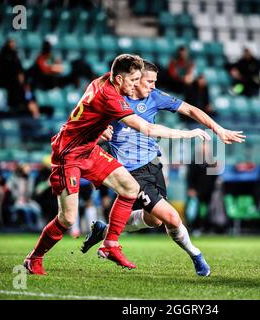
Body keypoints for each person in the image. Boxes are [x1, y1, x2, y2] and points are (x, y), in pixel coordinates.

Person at [23, 54, 210, 275]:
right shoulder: (111, 97)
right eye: (133, 81)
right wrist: (188, 134)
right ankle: (34, 258)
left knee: (130, 188)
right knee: (68, 218)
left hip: (89, 149)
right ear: (120, 80)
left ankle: (110, 244)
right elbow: (148, 129)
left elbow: (86, 115)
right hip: (69, 155)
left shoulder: (102, 80)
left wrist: (98, 130)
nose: (135, 85)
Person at [80, 60, 245, 276]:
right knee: (172, 218)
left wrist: (218, 129)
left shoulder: (154, 97)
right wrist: (100, 135)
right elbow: (88, 124)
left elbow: (191, 110)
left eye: (155, 82)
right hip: (131, 172)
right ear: (136, 80)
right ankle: (196, 255)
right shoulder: (113, 99)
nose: (153, 86)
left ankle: (104, 231)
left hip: (154, 165)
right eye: (149, 81)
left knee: (154, 220)